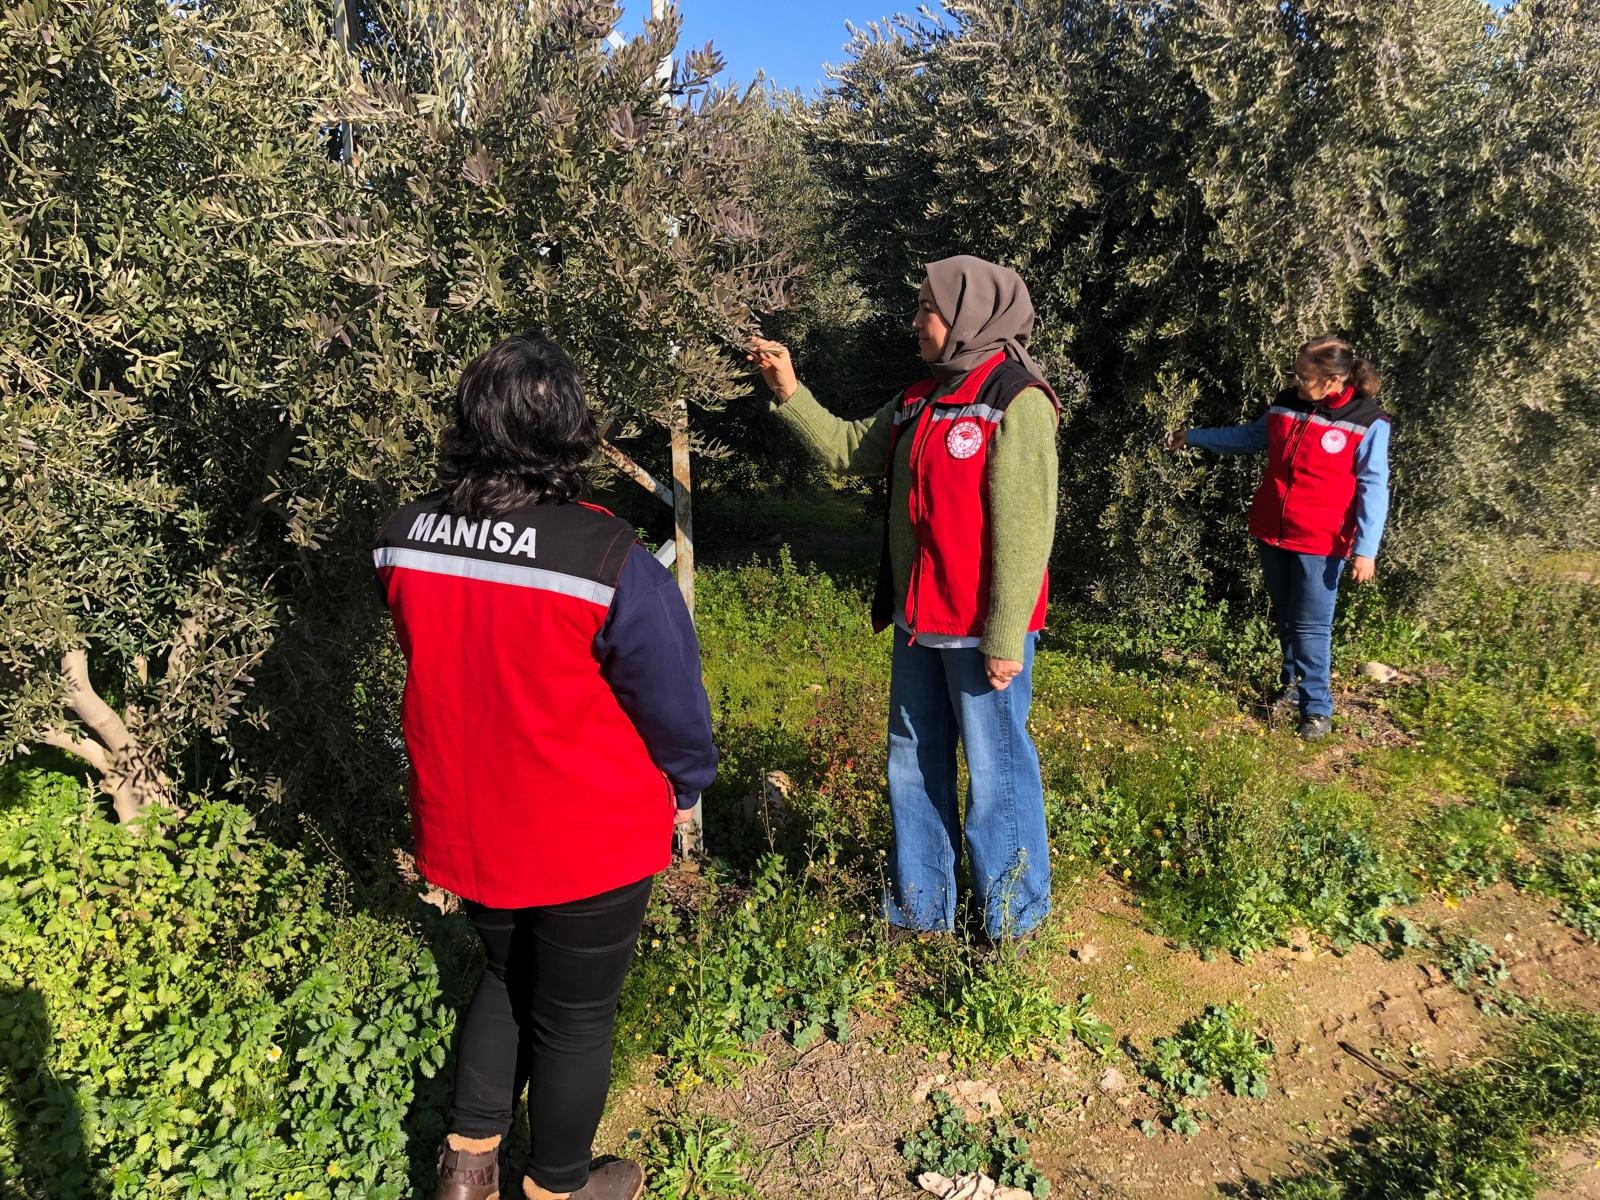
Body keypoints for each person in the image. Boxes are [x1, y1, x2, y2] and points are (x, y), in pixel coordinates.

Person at [373, 333, 717, 1200]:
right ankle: (557, 1186)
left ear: (468, 423)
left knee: (503, 972)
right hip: (585, 835)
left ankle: (468, 1166)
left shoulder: (402, 537)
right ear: (572, 432)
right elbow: (672, 702)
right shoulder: (606, 559)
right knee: (573, 1018)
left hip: (467, 818)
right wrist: (689, 784)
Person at [747, 255, 1060, 941]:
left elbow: (1028, 529)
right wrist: (789, 390)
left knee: (996, 776)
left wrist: (1008, 637)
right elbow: (848, 450)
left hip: (982, 634)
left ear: (972, 314)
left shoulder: (1015, 400)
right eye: (919, 307)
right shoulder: (921, 398)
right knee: (913, 767)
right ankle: (921, 909)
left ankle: (1014, 923)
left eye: (928, 308)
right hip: (920, 624)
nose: (917, 322)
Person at [1164, 335, 1392, 740]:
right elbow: (1252, 437)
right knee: (1287, 617)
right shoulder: (1287, 403)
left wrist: (1366, 550)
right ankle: (1290, 688)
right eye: (1297, 373)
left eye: (1306, 376)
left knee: (1311, 627)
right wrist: (1196, 436)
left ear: (1335, 381)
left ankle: (1317, 708)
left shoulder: (1367, 420)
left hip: (1321, 542)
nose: (1297, 381)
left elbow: (1374, 486)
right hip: (1272, 531)